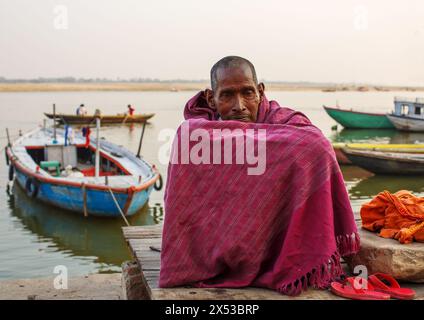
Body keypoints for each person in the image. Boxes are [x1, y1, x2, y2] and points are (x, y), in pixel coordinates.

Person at [159, 56, 359, 296]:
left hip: (279, 249)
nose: (239, 105)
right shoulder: (195, 134)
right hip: (211, 254)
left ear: (261, 91)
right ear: (211, 98)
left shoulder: (285, 122)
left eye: (247, 93)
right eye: (227, 95)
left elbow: (316, 146)